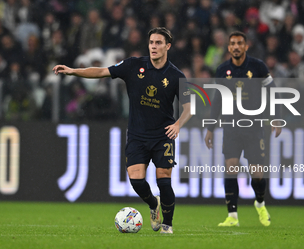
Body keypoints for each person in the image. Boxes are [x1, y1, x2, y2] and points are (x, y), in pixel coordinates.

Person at [53, 27, 191, 234]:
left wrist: (178, 123)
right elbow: (101, 72)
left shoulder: (177, 76)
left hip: (163, 135)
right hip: (137, 134)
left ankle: (167, 225)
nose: (153, 46)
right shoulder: (133, 65)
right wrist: (73, 71)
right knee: (136, 180)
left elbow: (190, 107)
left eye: (159, 43)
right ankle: (154, 205)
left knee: (164, 179)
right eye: (151, 42)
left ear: (167, 46)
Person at [204, 31, 282, 227]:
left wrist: (276, 118)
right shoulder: (222, 70)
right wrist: (210, 128)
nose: (236, 47)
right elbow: (218, 100)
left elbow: (272, 92)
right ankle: (232, 216)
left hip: (254, 127)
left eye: (240, 43)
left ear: (246, 46)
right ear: (228, 47)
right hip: (231, 127)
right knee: (231, 167)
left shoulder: (258, 67)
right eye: (232, 44)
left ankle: (260, 203)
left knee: (256, 172)